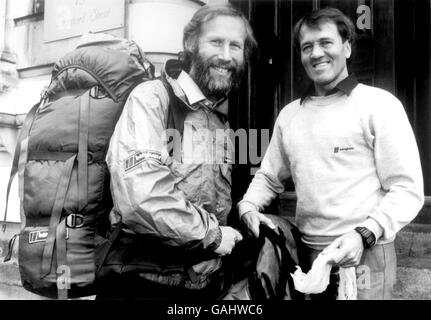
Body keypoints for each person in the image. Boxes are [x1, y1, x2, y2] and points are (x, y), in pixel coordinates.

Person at [238, 7, 424, 300]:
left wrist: (363, 235)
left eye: (326, 43)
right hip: (307, 253)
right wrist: (248, 206)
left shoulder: (379, 105)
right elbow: (269, 175)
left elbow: (407, 188)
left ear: (347, 47)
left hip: (366, 254)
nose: (316, 54)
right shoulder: (290, 115)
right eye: (307, 47)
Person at [96, 4, 257, 300]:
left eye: (235, 46)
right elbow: (140, 196)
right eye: (216, 42)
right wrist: (213, 234)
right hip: (141, 285)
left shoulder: (219, 118)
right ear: (190, 44)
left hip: (200, 285)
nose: (226, 55)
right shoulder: (151, 98)